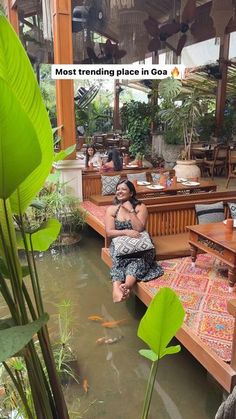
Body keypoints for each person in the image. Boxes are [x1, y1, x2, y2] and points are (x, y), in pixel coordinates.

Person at [105, 179, 163, 302]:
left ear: (131, 193)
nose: (119, 191)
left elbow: (139, 228)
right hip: (120, 246)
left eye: (123, 189)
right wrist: (126, 232)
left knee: (139, 260)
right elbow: (109, 232)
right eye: (118, 189)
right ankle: (117, 289)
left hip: (141, 246)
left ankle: (126, 286)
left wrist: (130, 210)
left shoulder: (140, 207)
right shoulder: (112, 209)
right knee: (119, 260)